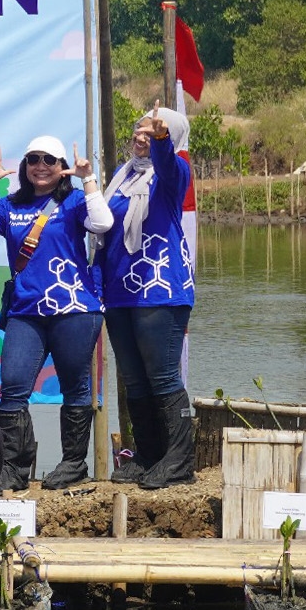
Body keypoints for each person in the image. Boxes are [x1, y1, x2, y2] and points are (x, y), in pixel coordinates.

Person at [0, 134, 111, 491]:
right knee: (13, 386)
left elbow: (102, 223)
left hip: (75, 309)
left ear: (62, 167)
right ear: (25, 166)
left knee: (75, 387)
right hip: (26, 311)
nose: (41, 166)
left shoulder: (74, 201)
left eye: (50, 160)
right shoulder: (10, 206)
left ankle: (73, 464)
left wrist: (88, 178)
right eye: (34, 159)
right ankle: (14, 468)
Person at [97, 105, 196, 490]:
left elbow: (167, 163)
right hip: (119, 292)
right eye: (140, 129)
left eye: (153, 131)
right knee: (135, 380)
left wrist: (161, 141)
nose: (143, 136)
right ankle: (148, 455)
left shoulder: (174, 173)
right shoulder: (121, 178)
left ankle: (179, 460)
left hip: (160, 290)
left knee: (163, 375)